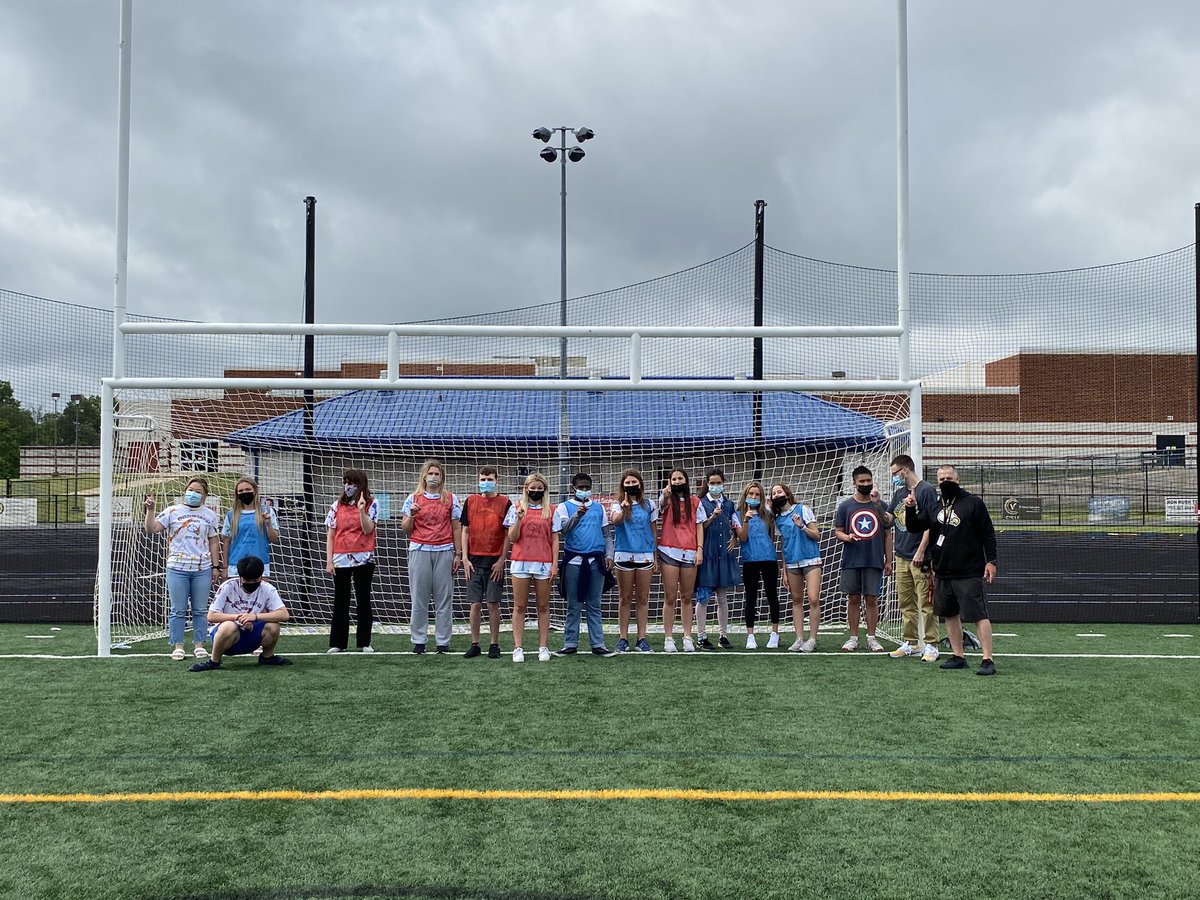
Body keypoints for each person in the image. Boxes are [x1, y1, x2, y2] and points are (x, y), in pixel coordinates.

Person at [905, 464, 999, 675]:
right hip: (942, 571)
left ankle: (987, 659)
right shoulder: (936, 506)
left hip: (968, 570)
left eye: (949, 478)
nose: (945, 481)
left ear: (958, 479)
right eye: (941, 479)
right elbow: (914, 527)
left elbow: (988, 534)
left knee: (978, 614)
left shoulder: (973, 503)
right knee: (949, 614)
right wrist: (910, 508)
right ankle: (958, 655)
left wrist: (991, 561)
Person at [143, 477, 220, 661]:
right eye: (191, 489)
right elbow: (151, 528)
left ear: (204, 496)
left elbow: (214, 541)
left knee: (200, 609)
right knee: (178, 609)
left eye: (198, 491)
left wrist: (216, 566)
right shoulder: (172, 511)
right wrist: (150, 510)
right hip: (177, 567)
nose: (193, 493)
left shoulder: (210, 515)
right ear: (185, 491)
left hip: (202, 568)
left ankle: (199, 644)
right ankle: (178, 645)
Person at [400, 459, 462, 654]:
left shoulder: (451, 498)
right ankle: (419, 640)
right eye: (431, 473)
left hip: (444, 550)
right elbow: (405, 529)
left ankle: (443, 641)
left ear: (442, 477)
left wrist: (458, 554)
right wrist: (411, 515)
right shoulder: (413, 498)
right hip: (419, 550)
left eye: (437, 474)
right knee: (419, 597)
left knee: (444, 598)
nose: (434, 477)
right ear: (424, 476)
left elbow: (456, 527)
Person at [189, 555, 292, 671]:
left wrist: (255, 617)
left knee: (274, 626)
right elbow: (211, 616)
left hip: (252, 635)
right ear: (240, 577)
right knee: (229, 626)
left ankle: (267, 657)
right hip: (228, 638)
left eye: (255, 580)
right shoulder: (228, 587)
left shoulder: (267, 589)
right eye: (247, 580)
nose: (251, 583)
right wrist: (239, 618)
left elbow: (284, 614)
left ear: (261, 577)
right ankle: (214, 661)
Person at [553, 473, 616, 657]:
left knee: (594, 604)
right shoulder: (564, 507)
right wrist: (577, 516)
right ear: (573, 488)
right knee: (574, 604)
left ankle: (598, 644)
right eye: (581, 486)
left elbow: (606, 535)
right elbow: (564, 530)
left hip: (595, 562)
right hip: (574, 561)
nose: (584, 489)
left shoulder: (599, 509)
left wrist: (610, 554)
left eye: (587, 486)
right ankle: (570, 643)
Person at [887, 454, 941, 662]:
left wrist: (921, 550)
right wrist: (875, 505)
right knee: (906, 602)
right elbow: (889, 518)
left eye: (894, 473)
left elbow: (930, 523)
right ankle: (911, 642)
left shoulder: (926, 490)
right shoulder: (899, 492)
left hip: (920, 556)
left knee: (926, 603)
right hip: (901, 555)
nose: (894, 477)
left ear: (905, 470)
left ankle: (931, 644)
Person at [833, 465, 892, 652]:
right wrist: (848, 537)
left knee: (872, 599)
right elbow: (838, 531)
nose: (866, 484)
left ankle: (872, 638)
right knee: (853, 599)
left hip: (874, 559)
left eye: (868, 481)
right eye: (862, 481)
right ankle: (853, 638)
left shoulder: (881, 505)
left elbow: (888, 531)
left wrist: (888, 560)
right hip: (852, 559)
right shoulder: (845, 506)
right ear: (854, 483)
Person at [505, 473, 560, 662]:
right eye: (532, 488)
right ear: (526, 489)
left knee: (543, 606)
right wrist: (519, 519)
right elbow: (512, 538)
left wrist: (554, 564)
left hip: (543, 563)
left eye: (539, 488)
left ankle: (543, 647)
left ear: (544, 489)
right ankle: (517, 647)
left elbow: (554, 539)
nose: (535, 491)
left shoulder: (552, 510)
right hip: (521, 562)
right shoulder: (516, 508)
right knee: (520, 606)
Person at [459, 466, 511, 659]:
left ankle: (494, 644)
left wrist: (501, 560)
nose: (485, 482)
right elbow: (464, 530)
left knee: (493, 603)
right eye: (483, 478)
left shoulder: (505, 502)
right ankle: (475, 643)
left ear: (497, 480)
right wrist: (464, 557)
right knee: (475, 603)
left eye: (489, 478)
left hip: (494, 560)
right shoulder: (470, 501)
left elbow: (508, 534)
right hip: (473, 560)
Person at [324, 469, 378, 654]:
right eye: (346, 482)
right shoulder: (337, 506)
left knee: (363, 599)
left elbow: (368, 529)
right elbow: (331, 535)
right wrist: (329, 561)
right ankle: (337, 643)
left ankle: (364, 642)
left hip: (364, 558)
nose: (348, 486)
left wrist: (362, 510)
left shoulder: (372, 504)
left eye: (352, 483)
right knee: (341, 600)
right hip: (340, 559)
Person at [610, 468, 657, 653]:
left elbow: (654, 530)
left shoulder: (650, 504)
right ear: (623, 485)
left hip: (645, 554)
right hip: (623, 554)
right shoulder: (617, 504)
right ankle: (623, 638)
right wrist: (624, 510)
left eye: (634, 482)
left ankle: (642, 639)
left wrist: (655, 555)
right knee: (625, 598)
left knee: (643, 598)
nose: (631, 485)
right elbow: (616, 521)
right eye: (627, 483)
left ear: (640, 484)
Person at [771, 483, 822, 653]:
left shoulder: (803, 509)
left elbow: (816, 534)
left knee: (813, 598)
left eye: (779, 491)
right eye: (773, 493)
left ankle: (812, 639)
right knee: (796, 600)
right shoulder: (778, 519)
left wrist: (802, 526)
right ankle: (799, 638)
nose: (777, 495)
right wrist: (784, 570)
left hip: (810, 559)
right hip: (792, 563)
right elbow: (784, 544)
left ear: (786, 493)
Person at [657, 468, 703, 653]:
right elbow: (661, 505)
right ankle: (668, 638)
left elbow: (699, 526)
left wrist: (700, 549)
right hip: (669, 551)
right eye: (673, 479)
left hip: (690, 552)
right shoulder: (666, 499)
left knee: (686, 596)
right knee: (670, 597)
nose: (677, 481)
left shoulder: (695, 501)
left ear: (686, 480)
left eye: (680, 478)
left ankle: (687, 637)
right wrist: (665, 495)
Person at [695, 468, 741, 650]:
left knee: (722, 597)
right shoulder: (700, 503)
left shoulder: (728, 504)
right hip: (707, 554)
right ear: (707, 484)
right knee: (704, 597)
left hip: (724, 555)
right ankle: (701, 636)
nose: (715, 486)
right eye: (712, 483)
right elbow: (700, 527)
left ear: (723, 484)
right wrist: (711, 517)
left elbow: (735, 524)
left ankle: (723, 635)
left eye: (718, 483)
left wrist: (735, 538)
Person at [735, 481, 781, 649]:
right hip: (750, 560)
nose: (754, 497)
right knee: (751, 597)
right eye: (751, 494)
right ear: (745, 495)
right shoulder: (738, 514)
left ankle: (775, 633)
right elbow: (743, 538)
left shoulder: (767, 513)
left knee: (771, 595)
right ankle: (750, 636)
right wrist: (746, 520)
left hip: (768, 559)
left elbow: (771, 535)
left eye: (757, 494)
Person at [220, 476, 280, 578]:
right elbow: (226, 542)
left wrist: (268, 524)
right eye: (241, 490)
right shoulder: (231, 515)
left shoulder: (267, 511)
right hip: (236, 565)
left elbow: (274, 539)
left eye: (248, 489)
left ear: (255, 491)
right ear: (237, 494)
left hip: (260, 563)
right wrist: (225, 567)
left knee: (260, 593)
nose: (245, 492)